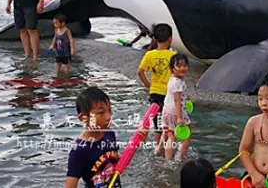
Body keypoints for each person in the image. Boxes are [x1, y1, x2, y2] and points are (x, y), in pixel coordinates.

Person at [65, 87, 147, 188]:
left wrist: (137, 142)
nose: (108, 117)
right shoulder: (79, 151)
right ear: (83, 118)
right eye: (101, 112)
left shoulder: (109, 135)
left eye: (109, 110)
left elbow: (119, 165)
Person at [137, 23, 176, 155]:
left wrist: (147, 84)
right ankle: (167, 151)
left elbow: (140, 72)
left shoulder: (149, 55)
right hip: (168, 95)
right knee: (169, 125)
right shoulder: (173, 55)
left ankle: (157, 150)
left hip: (154, 93)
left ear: (154, 38)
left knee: (158, 124)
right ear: (170, 38)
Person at [162, 54, 192, 160]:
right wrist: (179, 117)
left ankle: (168, 160)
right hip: (176, 112)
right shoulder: (178, 83)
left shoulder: (172, 79)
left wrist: (185, 97)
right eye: (178, 66)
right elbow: (177, 100)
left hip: (167, 111)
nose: (182, 68)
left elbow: (174, 96)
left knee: (171, 136)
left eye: (184, 65)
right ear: (172, 68)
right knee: (187, 135)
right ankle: (181, 157)